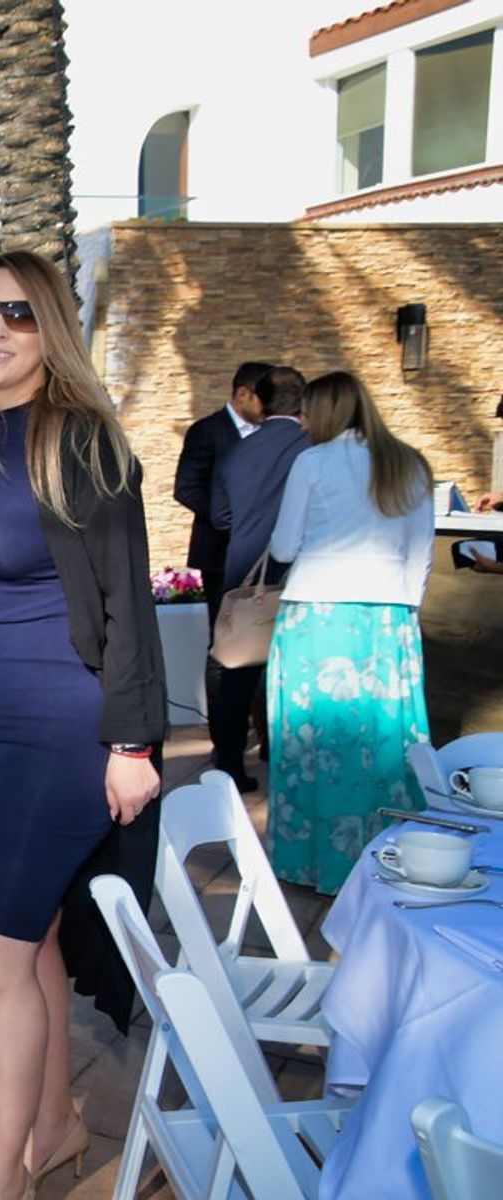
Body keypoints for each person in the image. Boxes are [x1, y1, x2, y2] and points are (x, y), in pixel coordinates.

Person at [0, 250, 166, 1200]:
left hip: (65, 732)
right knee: (33, 940)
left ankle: (2, 1179)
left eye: (21, 314)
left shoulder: (84, 441)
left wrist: (133, 744)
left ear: (52, 328)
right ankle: (57, 1123)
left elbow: (127, 600)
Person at [266, 370, 433, 895]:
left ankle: (313, 863)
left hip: (317, 614)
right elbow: (422, 552)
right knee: (384, 741)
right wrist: (405, 613)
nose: (303, 422)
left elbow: (284, 547)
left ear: (325, 412)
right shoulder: (409, 463)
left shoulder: (312, 462)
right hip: (388, 616)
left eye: (308, 412)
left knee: (312, 739)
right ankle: (391, 857)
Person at [208, 366, 310, 789]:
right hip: (299, 571)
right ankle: (293, 764)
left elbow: (220, 515)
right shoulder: (312, 448)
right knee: (300, 669)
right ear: (303, 402)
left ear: (260, 402)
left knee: (237, 672)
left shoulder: (237, 450)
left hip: (243, 571)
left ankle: (230, 765)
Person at [177, 362, 265, 783]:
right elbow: (186, 487)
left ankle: (264, 736)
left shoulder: (270, 436)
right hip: (220, 557)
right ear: (243, 394)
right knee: (224, 649)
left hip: (263, 559)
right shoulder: (207, 431)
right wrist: (228, 517)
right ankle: (225, 746)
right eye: (264, 398)